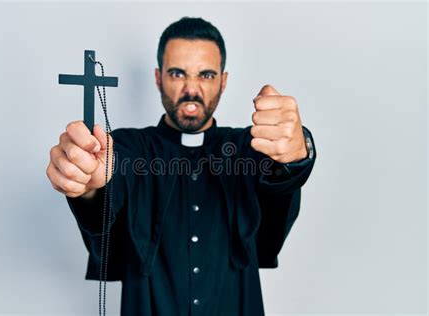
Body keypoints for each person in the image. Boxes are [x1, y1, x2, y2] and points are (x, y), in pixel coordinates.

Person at [46, 17, 316, 316]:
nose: (192, 89)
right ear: (159, 78)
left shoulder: (248, 149)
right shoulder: (128, 148)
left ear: (223, 82)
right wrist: (89, 188)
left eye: (206, 75)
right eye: (177, 73)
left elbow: (279, 177)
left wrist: (296, 153)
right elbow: (108, 184)